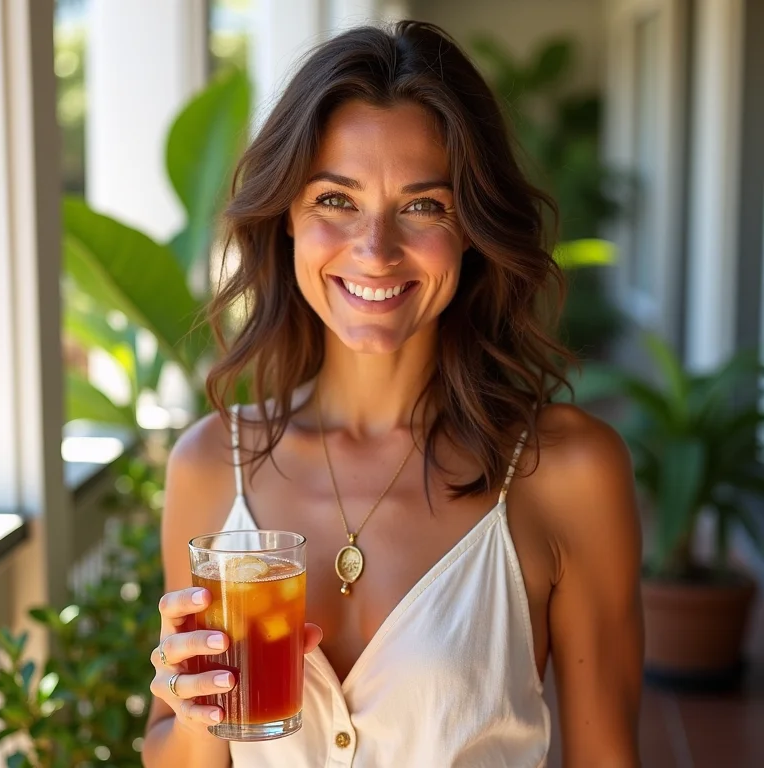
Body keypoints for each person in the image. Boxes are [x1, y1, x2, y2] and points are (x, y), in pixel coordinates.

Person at [142, 20, 643, 768]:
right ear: (287, 219)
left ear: (471, 228)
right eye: (335, 200)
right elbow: (174, 753)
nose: (375, 250)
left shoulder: (566, 472)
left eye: (423, 206)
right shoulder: (212, 465)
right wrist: (193, 714)